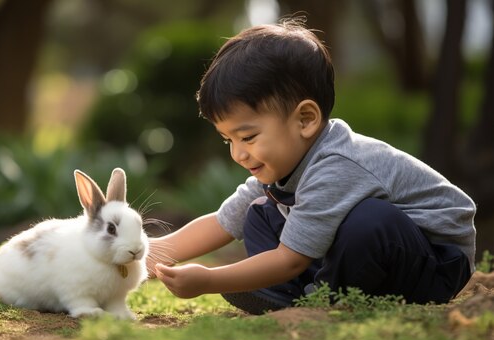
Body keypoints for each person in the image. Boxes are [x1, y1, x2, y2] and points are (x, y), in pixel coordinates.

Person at [148, 17, 476, 315]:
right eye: (227, 140)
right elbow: (223, 222)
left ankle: (322, 297)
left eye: (247, 137)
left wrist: (209, 280)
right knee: (259, 212)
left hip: (433, 262)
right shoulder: (283, 165)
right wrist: (155, 252)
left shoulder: (336, 165)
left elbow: (291, 259)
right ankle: (295, 293)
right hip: (367, 256)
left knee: (369, 222)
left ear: (305, 119)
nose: (238, 154)